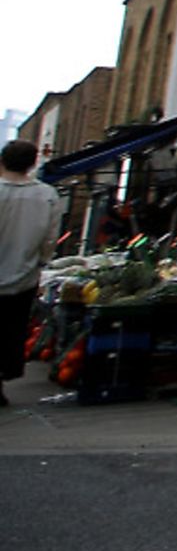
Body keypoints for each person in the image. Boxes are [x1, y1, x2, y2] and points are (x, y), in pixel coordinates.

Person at [1, 140, 63, 407]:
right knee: (10, 331)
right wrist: (42, 263)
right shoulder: (47, 196)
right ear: (33, 163)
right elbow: (50, 239)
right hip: (23, 277)